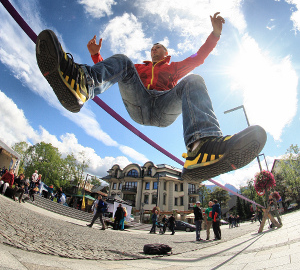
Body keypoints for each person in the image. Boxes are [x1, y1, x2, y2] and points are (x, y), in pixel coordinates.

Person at [36, 13, 267, 183]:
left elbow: (198, 58)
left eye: (158, 48)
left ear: (166, 53)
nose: (153, 50)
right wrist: (96, 55)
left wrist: (215, 34)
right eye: (152, 48)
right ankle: (81, 84)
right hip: (140, 103)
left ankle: (202, 147)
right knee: (123, 61)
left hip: (164, 106)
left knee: (194, 79)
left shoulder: (174, 67)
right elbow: (112, 73)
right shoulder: (139, 67)